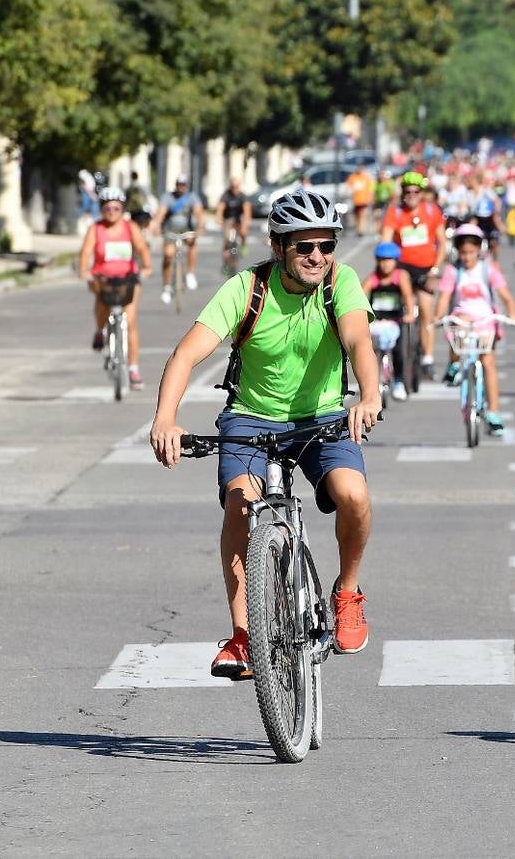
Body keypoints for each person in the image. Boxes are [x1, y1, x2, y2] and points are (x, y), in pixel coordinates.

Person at [148, 189, 380, 680]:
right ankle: (243, 637)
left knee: (353, 495)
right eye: (304, 247)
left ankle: (348, 592)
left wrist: (369, 394)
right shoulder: (246, 289)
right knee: (240, 504)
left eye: (326, 245)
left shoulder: (341, 284)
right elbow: (187, 354)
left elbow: (359, 338)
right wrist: (165, 418)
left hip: (322, 420)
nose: (317, 256)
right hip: (251, 418)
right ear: (279, 249)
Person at [435, 224, 515, 434]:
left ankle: (493, 412)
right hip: (462, 317)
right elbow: (444, 298)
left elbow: (506, 296)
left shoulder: (488, 270)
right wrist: (438, 317)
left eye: (471, 252)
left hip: (485, 320)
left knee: (488, 362)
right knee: (457, 327)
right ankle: (453, 365)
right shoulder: (453, 271)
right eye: (463, 253)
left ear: (479, 250)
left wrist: (513, 312)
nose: (467, 257)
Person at [80, 187, 153, 389]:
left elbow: (142, 248)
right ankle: (99, 331)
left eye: (116, 208)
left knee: (130, 322)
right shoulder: (96, 229)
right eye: (107, 208)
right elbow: (86, 252)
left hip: (127, 279)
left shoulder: (130, 228)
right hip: (103, 278)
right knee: (102, 300)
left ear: (122, 209)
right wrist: (84, 271)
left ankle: (133, 369)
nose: (111, 212)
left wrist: (146, 267)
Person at [379, 171, 447, 380]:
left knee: (427, 310)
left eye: (415, 192)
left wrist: (436, 268)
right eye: (407, 191)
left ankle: (427, 358)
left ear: (421, 193)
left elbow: (442, 244)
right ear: (402, 193)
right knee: (401, 307)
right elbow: (386, 242)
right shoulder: (395, 213)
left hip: (426, 268)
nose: (411, 195)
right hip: (403, 268)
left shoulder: (431, 210)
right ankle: (396, 351)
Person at [361, 240, 418, 402]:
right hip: (377, 321)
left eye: (389, 260)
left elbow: (408, 296)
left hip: (396, 321)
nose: (385, 264)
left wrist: (409, 313)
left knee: (399, 351)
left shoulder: (400, 277)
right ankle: (371, 383)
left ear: (396, 261)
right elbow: (361, 294)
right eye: (381, 260)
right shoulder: (373, 279)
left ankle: (399, 381)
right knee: (368, 351)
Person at [152, 174, 205, 303]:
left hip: (187, 229)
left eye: (184, 184)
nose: (181, 187)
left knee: (192, 244)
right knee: (168, 255)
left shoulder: (192, 197)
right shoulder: (168, 197)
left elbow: (199, 213)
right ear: (176, 185)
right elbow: (161, 213)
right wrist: (157, 226)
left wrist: (200, 227)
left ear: (187, 185)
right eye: (179, 184)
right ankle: (166, 287)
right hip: (170, 230)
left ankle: (190, 273)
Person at [214, 178, 252, 277]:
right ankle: (226, 263)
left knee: (243, 232)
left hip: (238, 220)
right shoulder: (226, 195)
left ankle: (243, 245)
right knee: (227, 240)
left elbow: (247, 210)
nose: (234, 189)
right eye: (233, 187)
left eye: (236, 187)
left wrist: (245, 224)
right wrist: (218, 218)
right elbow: (220, 208)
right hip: (228, 220)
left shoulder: (242, 196)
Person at [347, 164, 375, 236]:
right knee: (356, 215)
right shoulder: (353, 177)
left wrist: (370, 198)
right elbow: (348, 186)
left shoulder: (366, 177)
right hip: (355, 200)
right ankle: (358, 229)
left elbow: (370, 189)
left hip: (364, 200)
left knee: (362, 215)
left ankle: (361, 230)